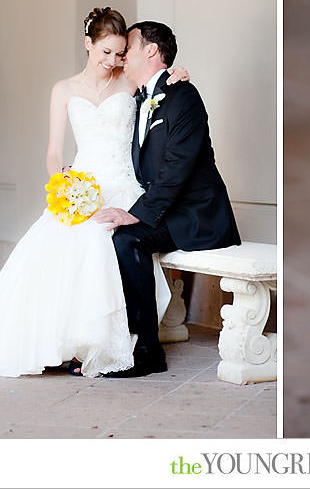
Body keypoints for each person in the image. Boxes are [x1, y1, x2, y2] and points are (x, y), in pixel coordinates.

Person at [0, 8, 188, 377]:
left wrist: (178, 73)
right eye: (105, 52)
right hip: (83, 185)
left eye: (119, 53)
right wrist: (67, 189)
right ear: (88, 44)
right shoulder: (64, 90)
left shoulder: (128, 81)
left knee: (112, 239)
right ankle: (68, 341)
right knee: (74, 240)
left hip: (124, 186)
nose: (112, 61)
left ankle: (105, 342)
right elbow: (53, 153)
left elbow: (160, 83)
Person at [92, 21, 241, 378]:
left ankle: (148, 351)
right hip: (168, 210)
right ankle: (111, 341)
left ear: (151, 50)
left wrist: (136, 214)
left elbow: (178, 166)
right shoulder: (140, 97)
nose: (123, 53)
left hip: (196, 214)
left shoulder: (184, 96)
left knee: (129, 238)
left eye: (130, 44)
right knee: (106, 236)